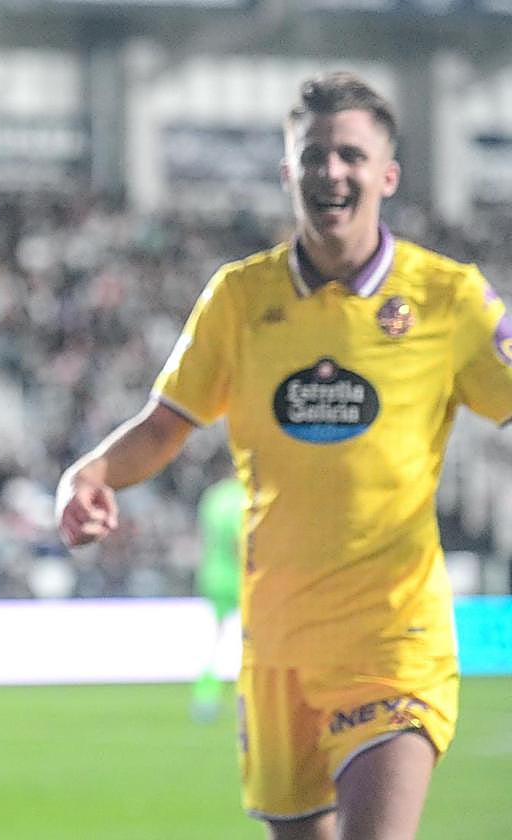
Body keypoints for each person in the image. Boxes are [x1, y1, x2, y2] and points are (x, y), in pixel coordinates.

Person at [56, 72, 512, 840]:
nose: (331, 171)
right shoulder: (239, 298)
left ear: (387, 175)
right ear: (287, 171)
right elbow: (166, 423)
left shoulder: (450, 298)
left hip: (393, 638)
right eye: (313, 155)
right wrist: (91, 473)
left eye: (350, 156)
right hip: (277, 651)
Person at [191, 458, 245, 723]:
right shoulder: (244, 497)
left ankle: (206, 697)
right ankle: (249, 699)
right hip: (242, 579)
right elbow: (241, 541)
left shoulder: (213, 496)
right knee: (254, 643)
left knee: (215, 641)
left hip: (212, 574)